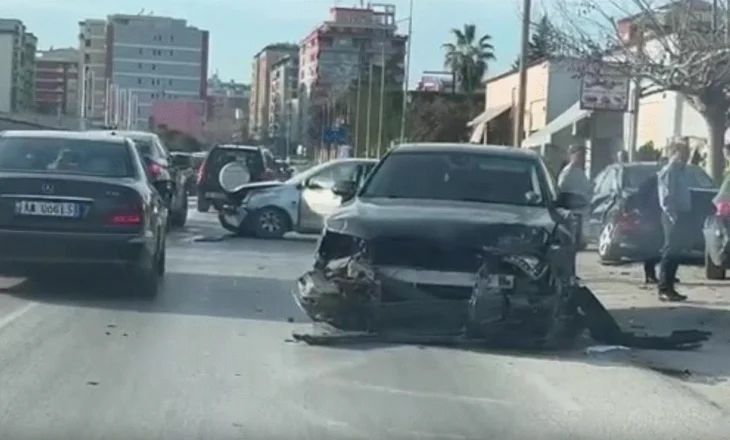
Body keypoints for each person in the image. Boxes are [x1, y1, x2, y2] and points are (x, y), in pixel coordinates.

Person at [656, 138, 692, 302]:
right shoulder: (670, 170)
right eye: (683, 152)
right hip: (672, 214)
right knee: (670, 251)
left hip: (682, 213)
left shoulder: (682, 170)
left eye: (687, 153)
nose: (686, 156)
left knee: (676, 252)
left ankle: (670, 287)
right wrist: (672, 214)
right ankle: (664, 288)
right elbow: (666, 194)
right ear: (675, 152)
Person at [557, 144, 591, 255]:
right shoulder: (568, 172)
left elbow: (586, 189)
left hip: (581, 211)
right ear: (573, 155)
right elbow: (561, 190)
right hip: (572, 211)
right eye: (580, 155)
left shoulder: (580, 172)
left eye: (584, 155)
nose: (583, 158)